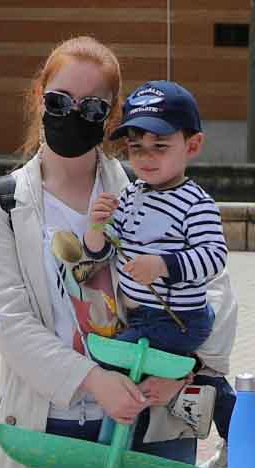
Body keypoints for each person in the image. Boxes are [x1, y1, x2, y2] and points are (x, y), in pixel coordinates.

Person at [0, 36, 233, 468]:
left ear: (111, 117)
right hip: (49, 422)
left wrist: (181, 368)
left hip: (151, 414)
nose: (73, 114)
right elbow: (7, 321)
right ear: (38, 98)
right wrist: (93, 379)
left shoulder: (149, 186)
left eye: (91, 107)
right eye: (59, 100)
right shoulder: (0, 203)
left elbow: (216, 288)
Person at [80, 80, 227, 364]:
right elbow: (106, 248)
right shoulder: (131, 193)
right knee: (121, 366)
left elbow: (214, 256)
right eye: (136, 148)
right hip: (137, 315)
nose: (146, 158)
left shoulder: (196, 203)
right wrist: (97, 226)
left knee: (110, 362)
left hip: (177, 321)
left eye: (160, 146)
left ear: (192, 145)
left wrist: (162, 265)